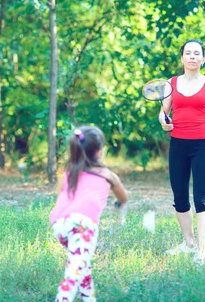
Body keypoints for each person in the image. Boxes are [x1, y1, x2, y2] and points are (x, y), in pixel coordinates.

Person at [159, 39, 205, 265]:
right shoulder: (171, 83)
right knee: (179, 198)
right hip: (178, 145)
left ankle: (201, 252)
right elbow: (164, 113)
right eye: (187, 53)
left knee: (202, 200)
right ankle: (188, 244)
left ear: (203, 59)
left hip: (201, 146)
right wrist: (164, 122)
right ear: (182, 58)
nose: (191, 56)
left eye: (196, 53)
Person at [50, 125, 128, 302]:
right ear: (99, 152)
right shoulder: (107, 175)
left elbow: (62, 196)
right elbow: (123, 197)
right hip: (82, 225)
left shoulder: (70, 174)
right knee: (72, 277)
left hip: (59, 224)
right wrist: (118, 203)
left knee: (83, 268)